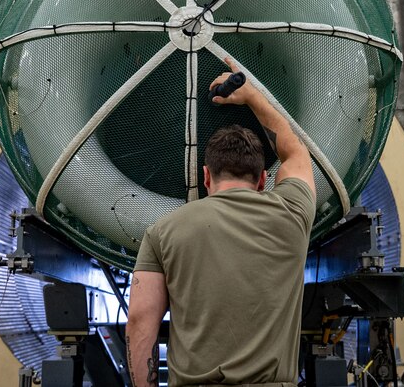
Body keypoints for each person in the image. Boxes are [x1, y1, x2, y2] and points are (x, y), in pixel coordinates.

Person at [126, 57, 316, 387]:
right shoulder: (292, 214)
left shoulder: (163, 231)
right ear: (262, 180)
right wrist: (253, 97)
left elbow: (141, 320)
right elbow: (295, 154)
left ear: (205, 176)